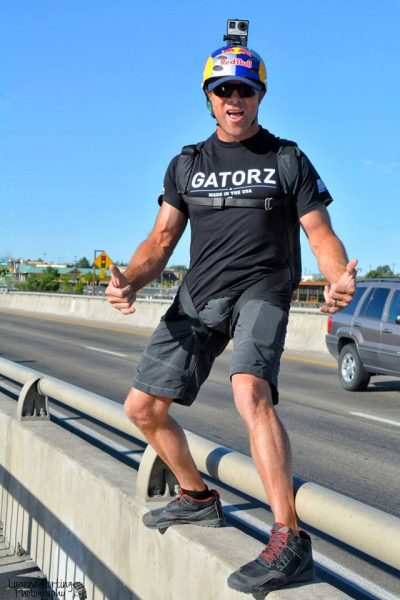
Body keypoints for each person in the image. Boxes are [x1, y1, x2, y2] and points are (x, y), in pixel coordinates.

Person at [106, 41, 357, 596]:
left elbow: (320, 234)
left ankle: (289, 540)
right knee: (142, 407)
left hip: (262, 290)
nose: (234, 98)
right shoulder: (187, 164)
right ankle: (198, 498)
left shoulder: (287, 158)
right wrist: (131, 278)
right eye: (224, 90)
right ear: (210, 99)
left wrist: (337, 276)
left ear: (260, 95)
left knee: (249, 391)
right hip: (201, 294)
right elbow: (161, 240)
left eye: (244, 89)